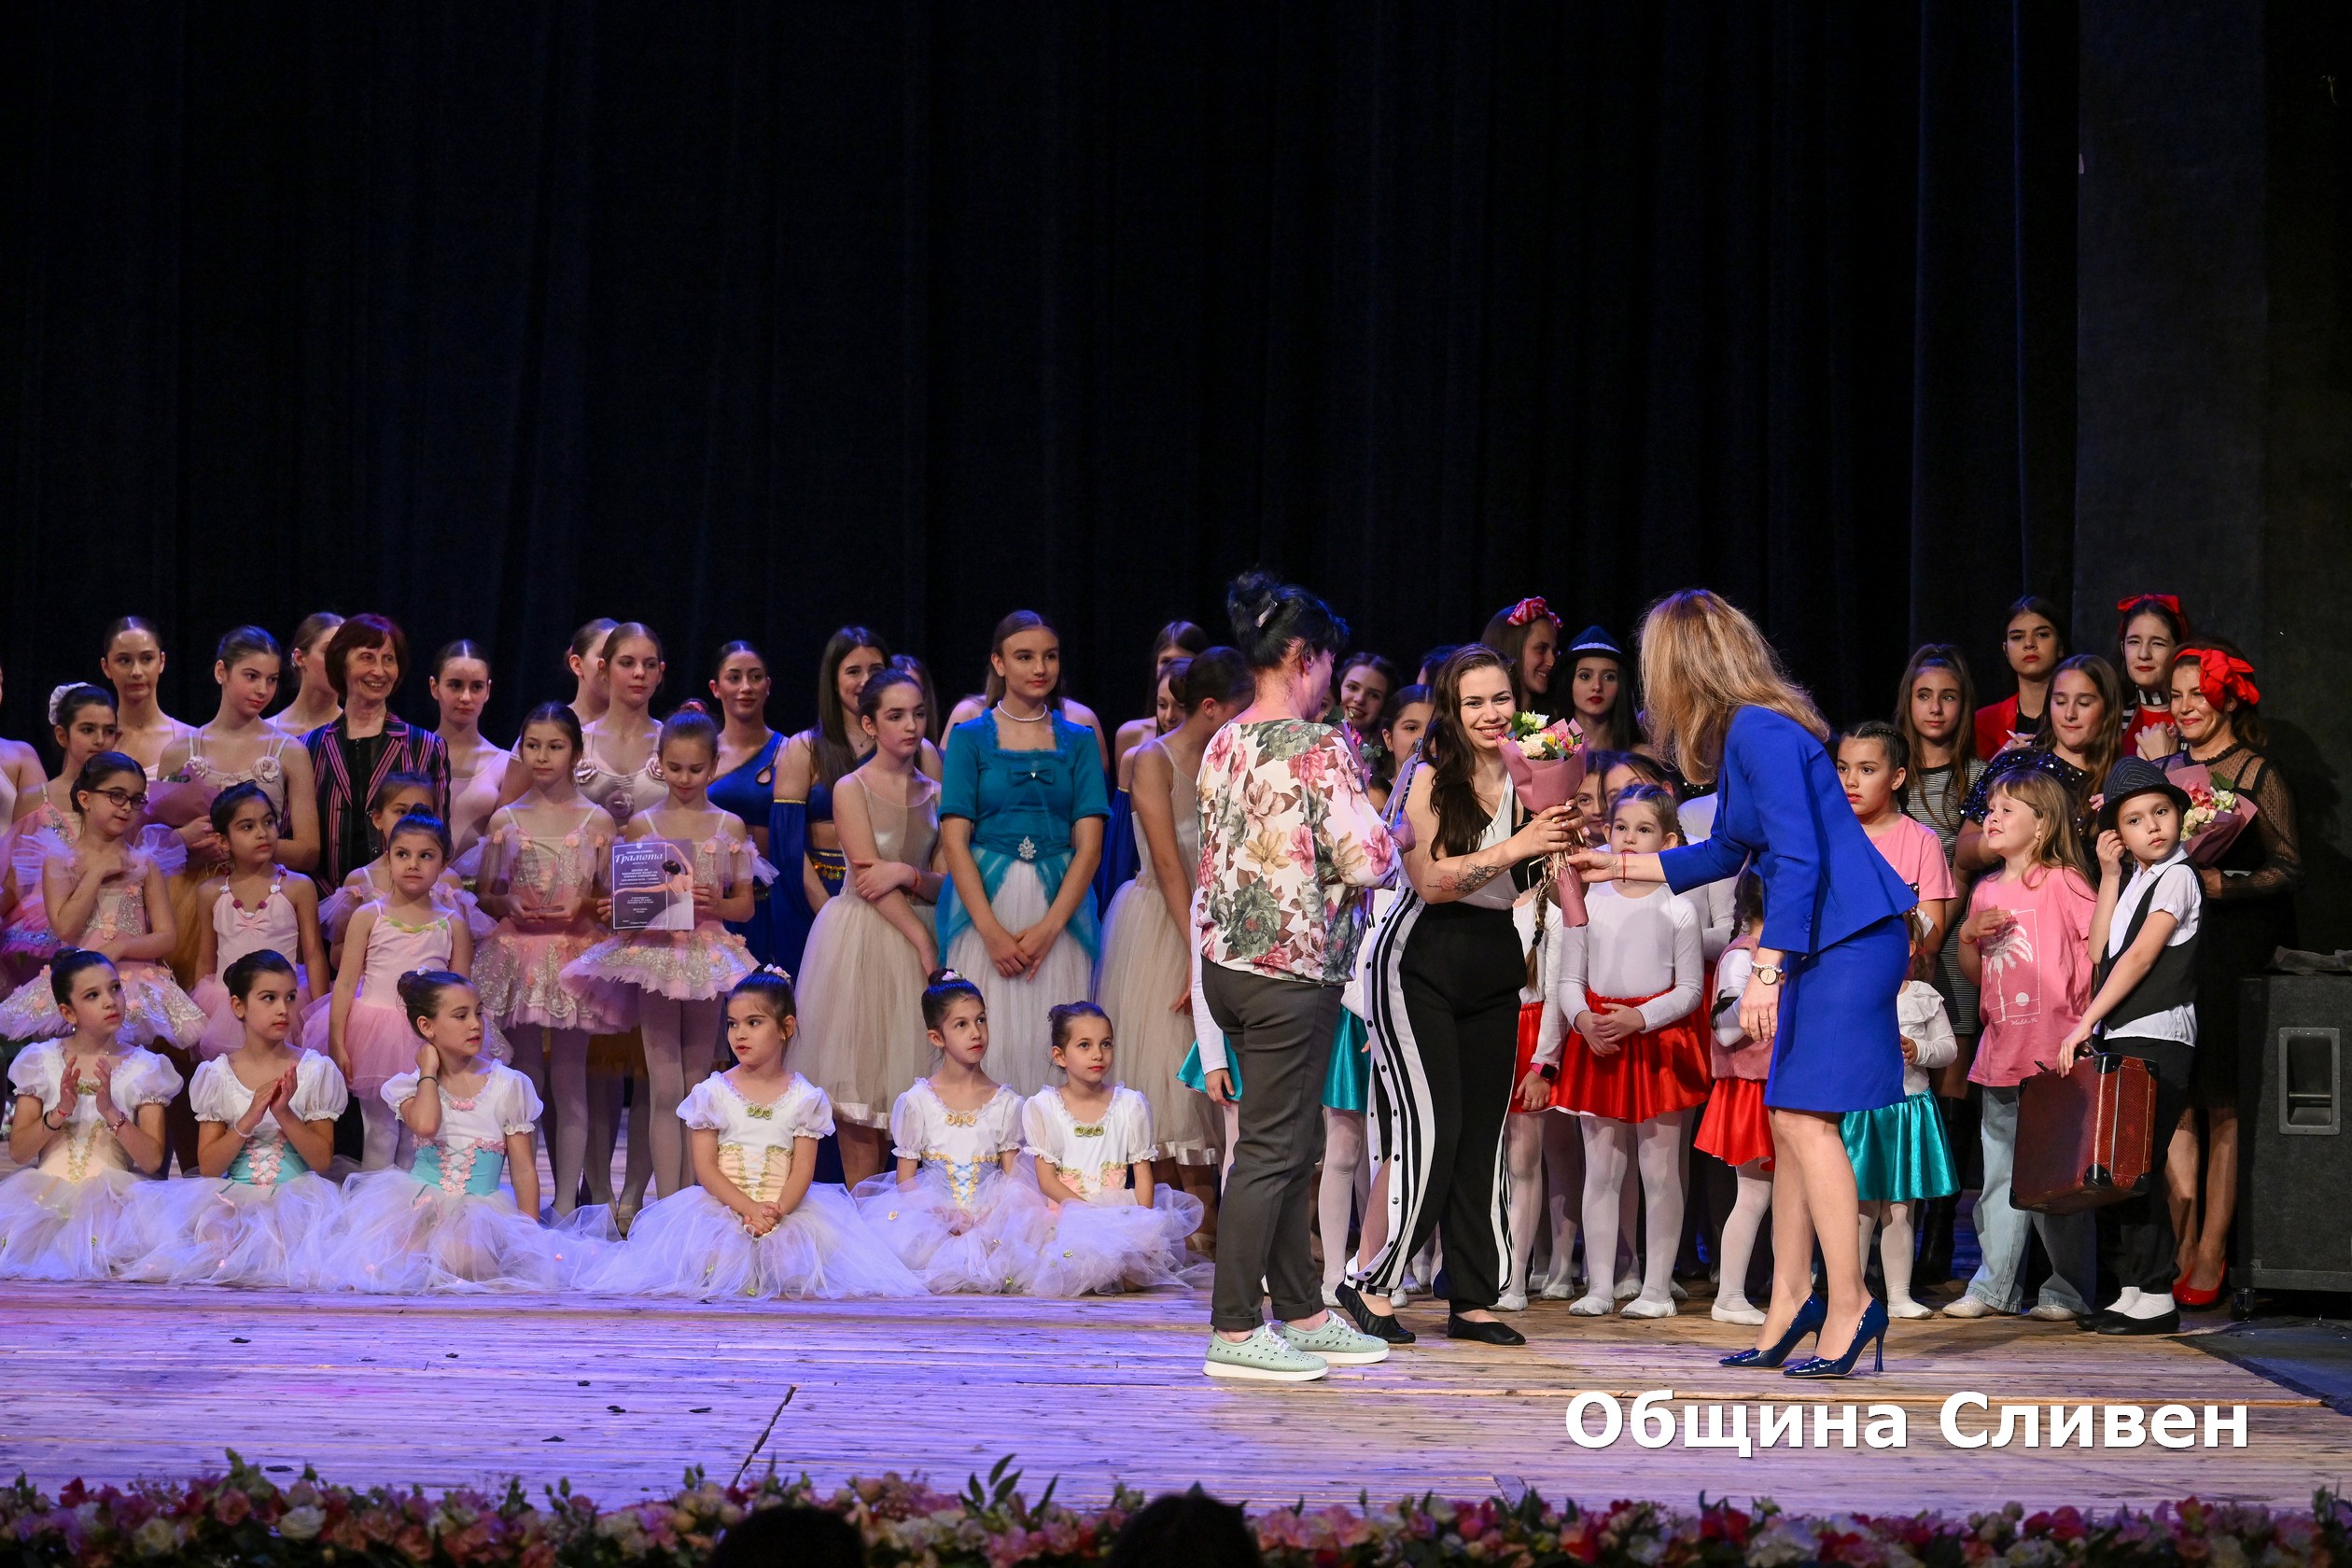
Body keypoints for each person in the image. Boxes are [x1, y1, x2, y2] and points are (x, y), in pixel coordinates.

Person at [1574, 589, 1914, 1379]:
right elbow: (1727, 849)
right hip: (1825, 940)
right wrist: (1619, 864)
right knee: (1789, 1121)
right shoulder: (1744, 737)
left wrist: (1765, 967)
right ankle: (1789, 1302)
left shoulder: (1761, 731)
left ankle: (1852, 1303)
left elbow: (1798, 858)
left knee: (1804, 1120)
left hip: (1850, 937)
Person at [1196, 570, 1396, 1383]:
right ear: (1304, 657)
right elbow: (1368, 858)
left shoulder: (1223, 739)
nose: (1330, 683)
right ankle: (1235, 1328)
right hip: (1288, 967)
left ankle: (1302, 1310)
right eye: (1328, 665)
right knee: (1273, 1148)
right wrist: (1395, 830)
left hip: (1230, 963)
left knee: (1292, 1141)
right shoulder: (1318, 748)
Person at [1351, 640, 1577, 1341]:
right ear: (1451, 708)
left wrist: (1568, 848)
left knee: (1483, 1135)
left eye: (1500, 698)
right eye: (1473, 701)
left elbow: (1534, 880)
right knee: (1432, 1130)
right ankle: (1373, 1287)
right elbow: (1429, 880)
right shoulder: (1429, 777)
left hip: (1493, 960)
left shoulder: (1535, 771)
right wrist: (1519, 846)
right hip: (1419, 960)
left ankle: (1472, 1298)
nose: (1490, 713)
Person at [574, 969, 917, 1300]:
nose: (740, 1034)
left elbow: (802, 1170)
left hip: (783, 1211)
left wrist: (774, 1214)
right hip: (723, 1210)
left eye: (753, 1023)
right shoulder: (712, 1094)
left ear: (785, 1028)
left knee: (790, 1264)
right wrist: (748, 1209)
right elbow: (706, 1168)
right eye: (732, 1024)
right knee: (717, 1260)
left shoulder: (804, 1098)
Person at [562, 707, 764, 1209]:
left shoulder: (729, 825)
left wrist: (717, 904)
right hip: (655, 954)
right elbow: (627, 904)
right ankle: (669, 1203)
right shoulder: (642, 824)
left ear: (714, 766)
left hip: (706, 951)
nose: (685, 778)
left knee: (697, 1080)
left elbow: (744, 905)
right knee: (665, 1081)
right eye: (674, 768)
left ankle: (695, 1198)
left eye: (696, 769)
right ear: (660, 763)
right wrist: (616, 909)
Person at [2161, 640, 2297, 1307]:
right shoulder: (2164, 769)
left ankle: (2213, 1250)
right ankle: (2179, 1245)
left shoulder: (2256, 771)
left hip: (2229, 949)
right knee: (2176, 1098)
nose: (2185, 706)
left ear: (2227, 697)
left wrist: (2225, 883)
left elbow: (2289, 867)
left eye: (2198, 692)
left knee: (2221, 1100)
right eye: (2176, 694)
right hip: (2171, 948)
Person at [1540, 784, 1706, 1319]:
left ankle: (1656, 1289)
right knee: (1602, 1170)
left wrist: (1641, 1017)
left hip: (1656, 1042)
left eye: (1644, 830)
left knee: (1659, 1171)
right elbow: (1569, 980)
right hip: (1601, 1040)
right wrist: (1582, 1019)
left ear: (1670, 842)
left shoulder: (1678, 907)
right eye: (1620, 828)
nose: (1629, 839)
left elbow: (1691, 990)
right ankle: (1600, 1286)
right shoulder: (1587, 902)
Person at [1095, 649, 1249, 1209]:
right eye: (1240, 709)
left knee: (1216, 1071)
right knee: (1163, 1067)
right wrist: (1196, 955)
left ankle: (1212, 1214)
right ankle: (1172, 1215)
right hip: (1162, 924)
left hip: (1221, 922)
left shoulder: (1234, 760)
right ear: (1210, 707)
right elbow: (1167, 864)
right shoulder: (1149, 760)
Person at [1943, 770, 2099, 1321]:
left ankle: (2068, 1290)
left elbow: (2098, 951)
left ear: (2042, 825)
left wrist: (2085, 1027)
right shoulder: (1986, 890)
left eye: (2008, 809)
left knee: (2058, 1178)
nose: (1993, 817)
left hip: (2055, 1054)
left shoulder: (2064, 882)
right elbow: (1977, 974)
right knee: (1998, 1177)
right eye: (1991, 808)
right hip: (2002, 1050)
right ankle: (1994, 1287)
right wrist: (1968, 935)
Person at [311, 970, 573, 1293]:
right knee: (393, 1261)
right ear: (427, 1026)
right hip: (420, 1206)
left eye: (478, 1013)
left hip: (479, 1212)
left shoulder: (508, 1085)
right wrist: (428, 1070)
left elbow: (523, 1169)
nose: (475, 1024)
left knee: (462, 1261)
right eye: (461, 1016)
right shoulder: (411, 1086)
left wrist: (528, 1237)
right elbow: (426, 1125)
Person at [936, 611, 1109, 1097]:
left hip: (1058, 908)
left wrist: (1050, 928)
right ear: (999, 663)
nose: (1040, 668)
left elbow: (1090, 845)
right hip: (986, 904)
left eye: (1050, 657)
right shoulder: (970, 737)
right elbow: (954, 839)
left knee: (1054, 1035)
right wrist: (991, 933)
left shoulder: (1079, 741)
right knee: (986, 1032)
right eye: (1025, 657)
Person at [2061, 758, 2203, 1335]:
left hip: (2160, 1032)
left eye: (2161, 812)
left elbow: (2142, 958)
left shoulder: (2179, 876)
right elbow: (2100, 951)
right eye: (2136, 819)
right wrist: (2109, 875)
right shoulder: (2139, 879)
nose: (2153, 827)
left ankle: (2157, 1295)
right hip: (2125, 1034)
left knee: (2140, 1164)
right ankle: (2132, 1291)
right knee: (2123, 1168)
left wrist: (2083, 1023)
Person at [472, 703, 625, 1219]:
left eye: (555, 746)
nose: (542, 756)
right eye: (532, 746)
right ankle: (525, 1199)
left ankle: (564, 1203)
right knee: (524, 1077)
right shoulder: (506, 819)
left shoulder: (597, 820)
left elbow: (611, 899)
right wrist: (505, 903)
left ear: (576, 753)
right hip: (517, 954)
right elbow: (486, 892)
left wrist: (584, 904)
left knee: (570, 1076)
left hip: (573, 955)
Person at [795, 668, 945, 1184]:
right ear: (870, 724)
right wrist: (922, 939)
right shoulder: (850, 787)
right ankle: (862, 1209)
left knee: (912, 1093)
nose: (911, 726)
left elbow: (946, 883)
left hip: (921, 935)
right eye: (896, 716)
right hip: (863, 939)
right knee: (859, 1094)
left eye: (917, 714)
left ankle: (900, 1213)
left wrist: (907, 873)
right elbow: (866, 880)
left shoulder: (937, 793)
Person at [121, 950, 347, 1288]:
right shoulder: (218, 1075)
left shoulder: (314, 1070)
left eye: (289, 997)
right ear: (239, 1006)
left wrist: (283, 1113)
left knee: (285, 1248)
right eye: (269, 998)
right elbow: (210, 1166)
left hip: (298, 1200)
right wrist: (249, 1118)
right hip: (235, 1197)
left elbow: (321, 1160)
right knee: (219, 1245)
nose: (283, 1009)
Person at [851, 969, 1047, 1294]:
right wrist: (944, 1216)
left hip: (990, 1224)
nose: (976, 1033)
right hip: (932, 1223)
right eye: (962, 1025)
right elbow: (905, 1180)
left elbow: (1014, 1178)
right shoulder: (917, 1102)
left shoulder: (1006, 1103)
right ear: (936, 1038)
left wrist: (987, 1217)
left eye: (981, 1020)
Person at [0, 753, 206, 1057]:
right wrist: (96, 874)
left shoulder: (143, 864)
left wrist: (120, 947)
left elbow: (167, 937)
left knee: (128, 1066)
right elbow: (65, 928)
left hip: (133, 985)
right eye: (116, 795)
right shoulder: (61, 862)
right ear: (85, 798)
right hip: (81, 983)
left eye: (135, 799)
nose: (126, 806)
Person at [0, 950, 182, 1279]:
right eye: (93, 995)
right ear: (68, 1011)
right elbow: (20, 1152)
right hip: (43, 1199)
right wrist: (59, 1112)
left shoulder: (146, 1067)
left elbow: (152, 1160)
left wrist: (111, 1113)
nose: (110, 1001)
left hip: (113, 1202)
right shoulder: (40, 1060)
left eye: (115, 988)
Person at [324, 809, 477, 1170]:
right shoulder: (368, 915)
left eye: (426, 856)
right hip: (374, 1037)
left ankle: (410, 1202)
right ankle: (375, 1202)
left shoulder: (452, 923)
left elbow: (461, 995)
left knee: (416, 1134)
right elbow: (345, 983)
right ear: (388, 857)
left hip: (429, 1039)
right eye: (403, 854)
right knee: (379, 1132)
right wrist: (336, 1039)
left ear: (443, 864)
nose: (413, 864)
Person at [1023, 1001, 1202, 1295]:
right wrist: (1090, 1217)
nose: (1098, 1054)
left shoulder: (1130, 1104)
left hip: (1119, 1213)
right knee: (1072, 1265)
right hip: (1069, 1215)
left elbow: (1143, 1173)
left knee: (1133, 1275)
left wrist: (1143, 1225)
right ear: (1060, 1056)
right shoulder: (1043, 1107)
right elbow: (1046, 1180)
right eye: (1085, 1045)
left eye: (1105, 1044)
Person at [770, 628, 906, 972]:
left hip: (899, 896)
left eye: (876, 670)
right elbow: (787, 845)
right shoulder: (804, 748)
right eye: (853, 671)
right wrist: (828, 915)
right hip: (823, 898)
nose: (865, 681)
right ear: (833, 680)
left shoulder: (917, 750)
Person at [154, 625, 324, 878]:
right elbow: (155, 846)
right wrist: (182, 838)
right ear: (221, 672)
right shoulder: (179, 752)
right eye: (252, 676)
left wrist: (241, 844)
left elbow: (309, 852)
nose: (262, 690)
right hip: (192, 888)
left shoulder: (290, 751)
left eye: (272, 679)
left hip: (263, 890)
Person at [301, 614, 450, 889]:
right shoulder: (308, 747)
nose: (379, 671)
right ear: (342, 663)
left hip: (400, 904)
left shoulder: (426, 746)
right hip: (322, 903)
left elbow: (439, 839)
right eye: (367, 658)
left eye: (388, 659)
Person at [1843, 977, 1958, 1320]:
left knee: (1900, 1208)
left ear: (1909, 951)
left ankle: (1898, 1296)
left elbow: (1949, 1048)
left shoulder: (1923, 994)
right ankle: (1852, 1295)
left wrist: (1920, 1050)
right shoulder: (1856, 987)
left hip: (1908, 1108)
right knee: (1861, 1208)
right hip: (1864, 1109)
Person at [189, 784, 329, 1062]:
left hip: (283, 1001)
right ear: (223, 841)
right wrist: (201, 1013)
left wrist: (318, 1012)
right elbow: (206, 958)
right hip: (228, 1004)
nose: (262, 833)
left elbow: (313, 953)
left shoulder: (298, 887)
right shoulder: (210, 892)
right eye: (247, 827)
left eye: (268, 822)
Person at [1955, 653, 2124, 875]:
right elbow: (1964, 852)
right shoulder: (2015, 764)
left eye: (2083, 703)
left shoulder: (2119, 783)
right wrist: (2013, 837)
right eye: (2060, 702)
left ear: (2108, 710)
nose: (2069, 714)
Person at [1696, 873, 1774, 1324]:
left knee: (1791, 1199)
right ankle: (1729, 1296)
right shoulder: (1742, 957)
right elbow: (1725, 1029)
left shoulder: (1787, 955)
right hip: (1751, 1088)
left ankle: (1790, 1292)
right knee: (1754, 1195)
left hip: (1784, 1085)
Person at [0, 684, 118, 977]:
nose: (99, 740)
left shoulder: (124, 796)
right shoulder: (37, 797)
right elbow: (16, 879)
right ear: (62, 735)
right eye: (88, 730)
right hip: (47, 916)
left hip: (110, 913)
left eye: (108, 731)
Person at [1837, 722, 1957, 983]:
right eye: (1843, 768)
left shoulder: (1922, 841)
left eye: (1866, 770)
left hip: (1898, 986)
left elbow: (1932, 939)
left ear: (1896, 778)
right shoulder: (1826, 836)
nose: (1850, 781)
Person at [706, 641, 783, 962]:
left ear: (768, 685)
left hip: (774, 902)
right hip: (713, 907)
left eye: (755, 677)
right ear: (715, 688)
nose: (746, 687)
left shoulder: (790, 752)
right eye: (734, 678)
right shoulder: (702, 756)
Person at [427, 641, 511, 863]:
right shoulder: (411, 753)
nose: (466, 697)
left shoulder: (503, 763)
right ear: (434, 687)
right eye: (455, 685)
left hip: (477, 884)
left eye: (476, 687)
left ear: (488, 690)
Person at [1111, 621, 1211, 783]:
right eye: (1166, 662)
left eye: (1184, 662)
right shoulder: (1130, 735)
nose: (1173, 670)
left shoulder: (1216, 738)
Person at [1973, 595, 2067, 760]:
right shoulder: (1984, 723)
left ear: (2060, 646)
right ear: (2006, 651)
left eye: (2042, 635)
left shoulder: (2079, 716)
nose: (2029, 644)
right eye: (2017, 637)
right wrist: (1998, 764)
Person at [98, 617, 190, 777]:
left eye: (147, 659)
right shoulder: (96, 741)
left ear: (161, 662)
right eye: (124, 660)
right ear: (106, 667)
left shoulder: (189, 739)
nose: (136, 672)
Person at [2114, 594, 2191, 758]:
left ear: (2178, 650)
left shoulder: (2195, 716)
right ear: (2122, 648)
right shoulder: (2112, 716)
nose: (2144, 654)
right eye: (2134, 642)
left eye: (2157, 643)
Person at [1561, 626, 1640, 752]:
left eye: (1609, 677)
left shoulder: (1640, 755)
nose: (1597, 686)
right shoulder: (1543, 749)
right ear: (1569, 682)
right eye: (1585, 676)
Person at [1481, 598, 1561, 721]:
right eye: (1541, 648)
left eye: (1555, 652)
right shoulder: (1483, 721)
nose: (1552, 662)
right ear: (1511, 647)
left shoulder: (1557, 720)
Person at [271, 613, 344, 739]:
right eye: (328, 652)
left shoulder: (357, 734)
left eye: (344, 653)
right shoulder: (266, 732)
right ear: (299, 658)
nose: (339, 661)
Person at [1365, 683, 1431, 814]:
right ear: (1389, 738)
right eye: (1411, 728)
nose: (1424, 740)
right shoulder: (1372, 800)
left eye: (1434, 730)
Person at [566, 619, 619, 727]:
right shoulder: (550, 724)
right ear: (577, 665)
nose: (615, 667)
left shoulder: (646, 731)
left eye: (625, 661)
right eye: (605, 655)